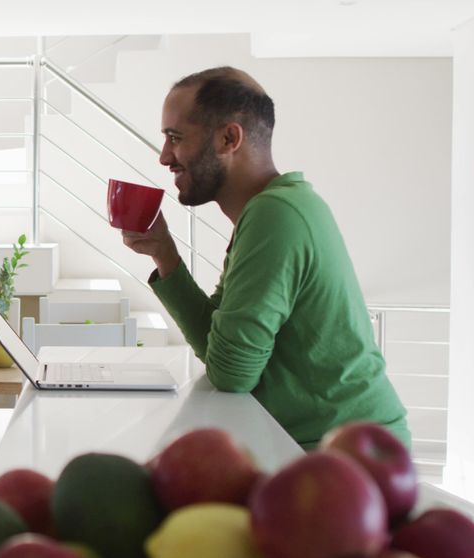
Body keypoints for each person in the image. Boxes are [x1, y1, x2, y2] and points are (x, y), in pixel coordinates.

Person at [123, 67, 410, 449]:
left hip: (350, 455)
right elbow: (220, 349)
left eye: (175, 138)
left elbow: (231, 372)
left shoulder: (275, 215)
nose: (164, 158)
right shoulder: (273, 209)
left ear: (229, 138)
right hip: (329, 445)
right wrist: (164, 253)